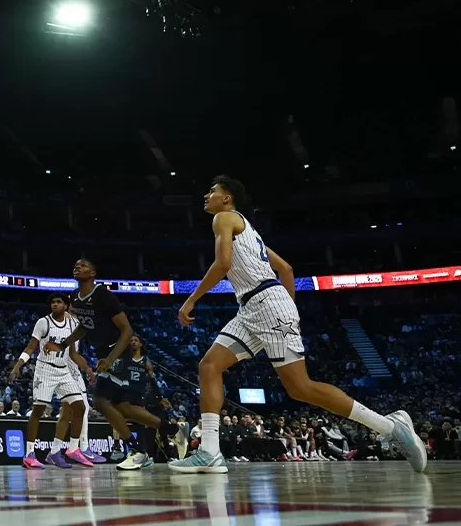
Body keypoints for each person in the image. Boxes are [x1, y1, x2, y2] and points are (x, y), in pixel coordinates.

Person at [169, 176, 427, 473]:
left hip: (265, 302)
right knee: (209, 366)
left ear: (227, 198)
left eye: (212, 190)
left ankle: (389, 426)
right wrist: (288, 305)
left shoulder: (224, 219)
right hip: (255, 306)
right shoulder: (251, 234)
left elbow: (223, 263)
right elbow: (286, 269)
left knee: (301, 388)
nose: (206, 194)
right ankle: (211, 453)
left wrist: (191, 299)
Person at [42, 260, 144, 466]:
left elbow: (125, 330)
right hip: (95, 358)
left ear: (93, 273)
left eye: (82, 265)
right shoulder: (73, 300)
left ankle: (137, 448)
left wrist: (108, 359)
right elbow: (82, 330)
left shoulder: (102, 296)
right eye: (75, 265)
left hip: (115, 352)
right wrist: (63, 346)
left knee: (98, 403)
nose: (76, 267)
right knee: (106, 405)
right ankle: (157, 434)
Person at [10, 294, 93, 469]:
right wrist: (18, 365)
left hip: (64, 370)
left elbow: (73, 354)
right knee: (38, 410)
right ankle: (29, 454)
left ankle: (72, 449)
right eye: (53, 302)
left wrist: (87, 369)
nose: (55, 304)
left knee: (80, 406)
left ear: (66, 305)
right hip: (45, 369)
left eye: (58, 302)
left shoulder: (72, 325)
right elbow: (31, 347)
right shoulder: (43, 322)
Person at [99, 335, 187, 470]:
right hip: (124, 391)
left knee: (141, 426)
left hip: (138, 395)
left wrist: (160, 397)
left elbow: (152, 381)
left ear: (140, 344)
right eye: (130, 340)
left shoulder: (146, 362)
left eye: (135, 341)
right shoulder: (123, 358)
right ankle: (121, 447)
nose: (132, 342)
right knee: (116, 415)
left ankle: (144, 452)